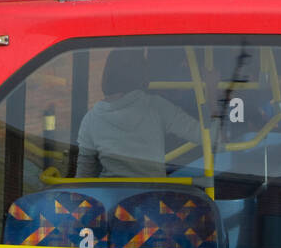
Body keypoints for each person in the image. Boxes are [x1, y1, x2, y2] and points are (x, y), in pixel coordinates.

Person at [76, 48, 204, 178]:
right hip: (152, 194)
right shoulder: (155, 107)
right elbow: (205, 136)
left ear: (107, 74)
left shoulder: (91, 119)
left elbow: (83, 176)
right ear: (142, 73)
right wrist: (211, 95)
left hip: (111, 196)